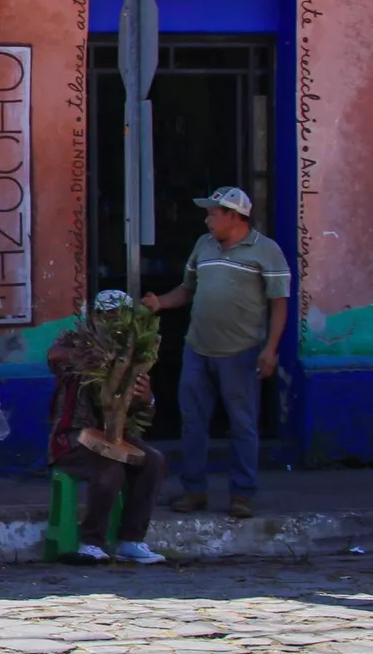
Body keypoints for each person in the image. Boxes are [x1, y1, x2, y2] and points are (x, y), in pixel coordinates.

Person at [142, 187, 291, 520]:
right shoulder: (203, 246)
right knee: (193, 422)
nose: (207, 219)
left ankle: (242, 494)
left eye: (213, 213)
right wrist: (160, 303)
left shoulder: (266, 252)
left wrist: (270, 349)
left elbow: (279, 304)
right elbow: (188, 290)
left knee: (242, 425)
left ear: (234, 216)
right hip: (197, 348)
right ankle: (194, 490)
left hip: (241, 352)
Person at [48, 302, 168, 564]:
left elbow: (143, 417)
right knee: (109, 469)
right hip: (72, 439)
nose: (111, 322)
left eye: (118, 317)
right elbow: (54, 356)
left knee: (154, 461)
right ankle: (92, 543)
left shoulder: (135, 358)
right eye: (106, 316)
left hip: (116, 437)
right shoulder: (76, 346)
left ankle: (131, 540)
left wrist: (147, 398)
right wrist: (94, 357)